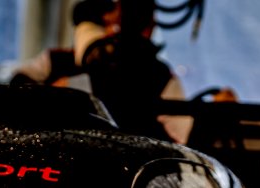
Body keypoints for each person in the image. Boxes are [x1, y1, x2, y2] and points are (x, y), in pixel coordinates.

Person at [77, 0, 194, 144]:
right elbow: (181, 133)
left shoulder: (99, 54)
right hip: (143, 149)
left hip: (102, 141)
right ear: (149, 25)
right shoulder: (158, 72)